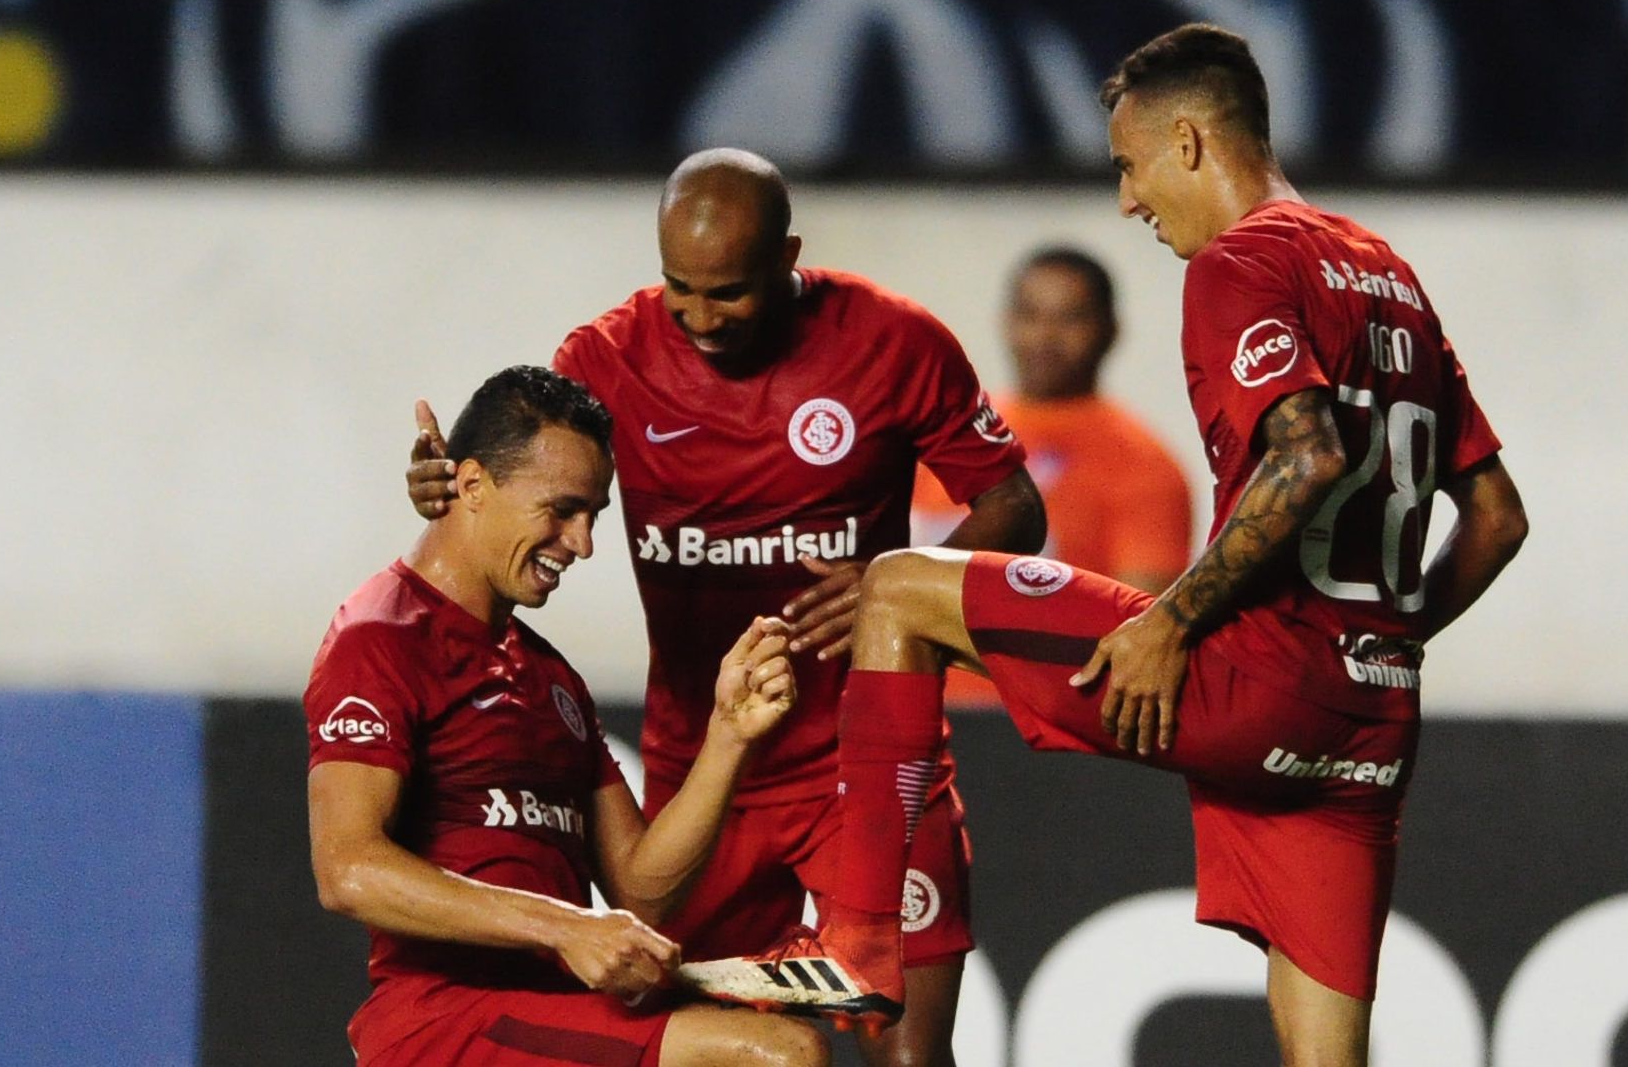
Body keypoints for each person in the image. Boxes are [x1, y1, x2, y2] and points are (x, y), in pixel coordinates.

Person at [684, 23, 1529, 1067]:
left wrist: (1172, 621)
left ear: (1187, 143)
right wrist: (1380, 649)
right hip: (1369, 726)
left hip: (1259, 678)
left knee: (900, 589)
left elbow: (1303, 458)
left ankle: (859, 940)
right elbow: (1495, 518)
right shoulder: (1388, 276)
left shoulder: (1241, 263)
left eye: (1129, 166)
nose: (1128, 201)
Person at [406, 151, 1046, 1061]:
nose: (702, 320)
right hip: (708, 767)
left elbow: (1016, 507)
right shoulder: (608, 358)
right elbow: (527, 487)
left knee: (908, 1055)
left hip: (869, 757)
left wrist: (899, 581)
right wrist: (453, 489)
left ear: (789, 255)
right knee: (724, 1055)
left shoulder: (894, 342)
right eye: (681, 291)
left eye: (730, 294)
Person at [307, 365, 829, 1066]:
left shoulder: (549, 676)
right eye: (561, 510)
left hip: (547, 1017)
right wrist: (563, 927)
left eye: (593, 516)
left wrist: (728, 737)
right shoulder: (381, 637)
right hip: (443, 1022)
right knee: (778, 1056)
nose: (582, 543)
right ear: (470, 487)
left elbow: (642, 892)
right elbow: (347, 869)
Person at [912, 245, 1193, 703]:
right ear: (1006, 321)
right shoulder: (946, 436)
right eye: (1029, 314)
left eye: (1070, 319)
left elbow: (1141, 635)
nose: (1044, 337)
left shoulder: (1145, 466)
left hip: (1046, 729)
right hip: (923, 710)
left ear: (1110, 331)